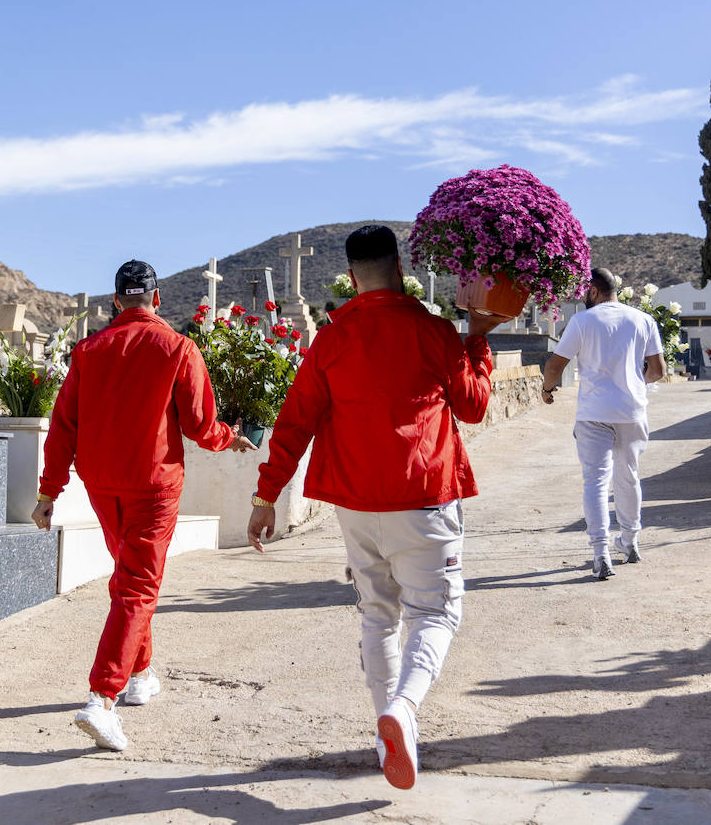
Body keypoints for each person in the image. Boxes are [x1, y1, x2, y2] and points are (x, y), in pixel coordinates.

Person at [246, 225, 503, 790]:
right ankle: (405, 711)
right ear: (400, 266)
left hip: (356, 505)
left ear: (351, 274)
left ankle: (388, 726)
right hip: (424, 495)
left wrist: (267, 497)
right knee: (435, 613)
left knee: (376, 614)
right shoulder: (433, 332)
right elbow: (475, 406)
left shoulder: (331, 341)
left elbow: (293, 425)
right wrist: (477, 340)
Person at [33, 259, 256, 752]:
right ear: (156, 300)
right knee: (137, 586)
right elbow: (200, 426)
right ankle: (101, 699)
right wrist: (230, 438)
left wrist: (49, 492)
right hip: (154, 485)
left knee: (130, 577)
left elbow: (63, 426)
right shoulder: (178, 347)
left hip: (102, 483)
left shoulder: (88, 351)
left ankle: (141, 676)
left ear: (116, 301)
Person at [540, 267, 666, 580]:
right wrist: (637, 383)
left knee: (595, 481)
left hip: (593, 413)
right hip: (631, 412)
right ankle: (631, 541)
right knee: (629, 476)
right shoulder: (642, 320)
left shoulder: (583, 321)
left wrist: (547, 389)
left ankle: (601, 553)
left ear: (594, 291)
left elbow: (556, 365)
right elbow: (658, 369)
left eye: (585, 291)